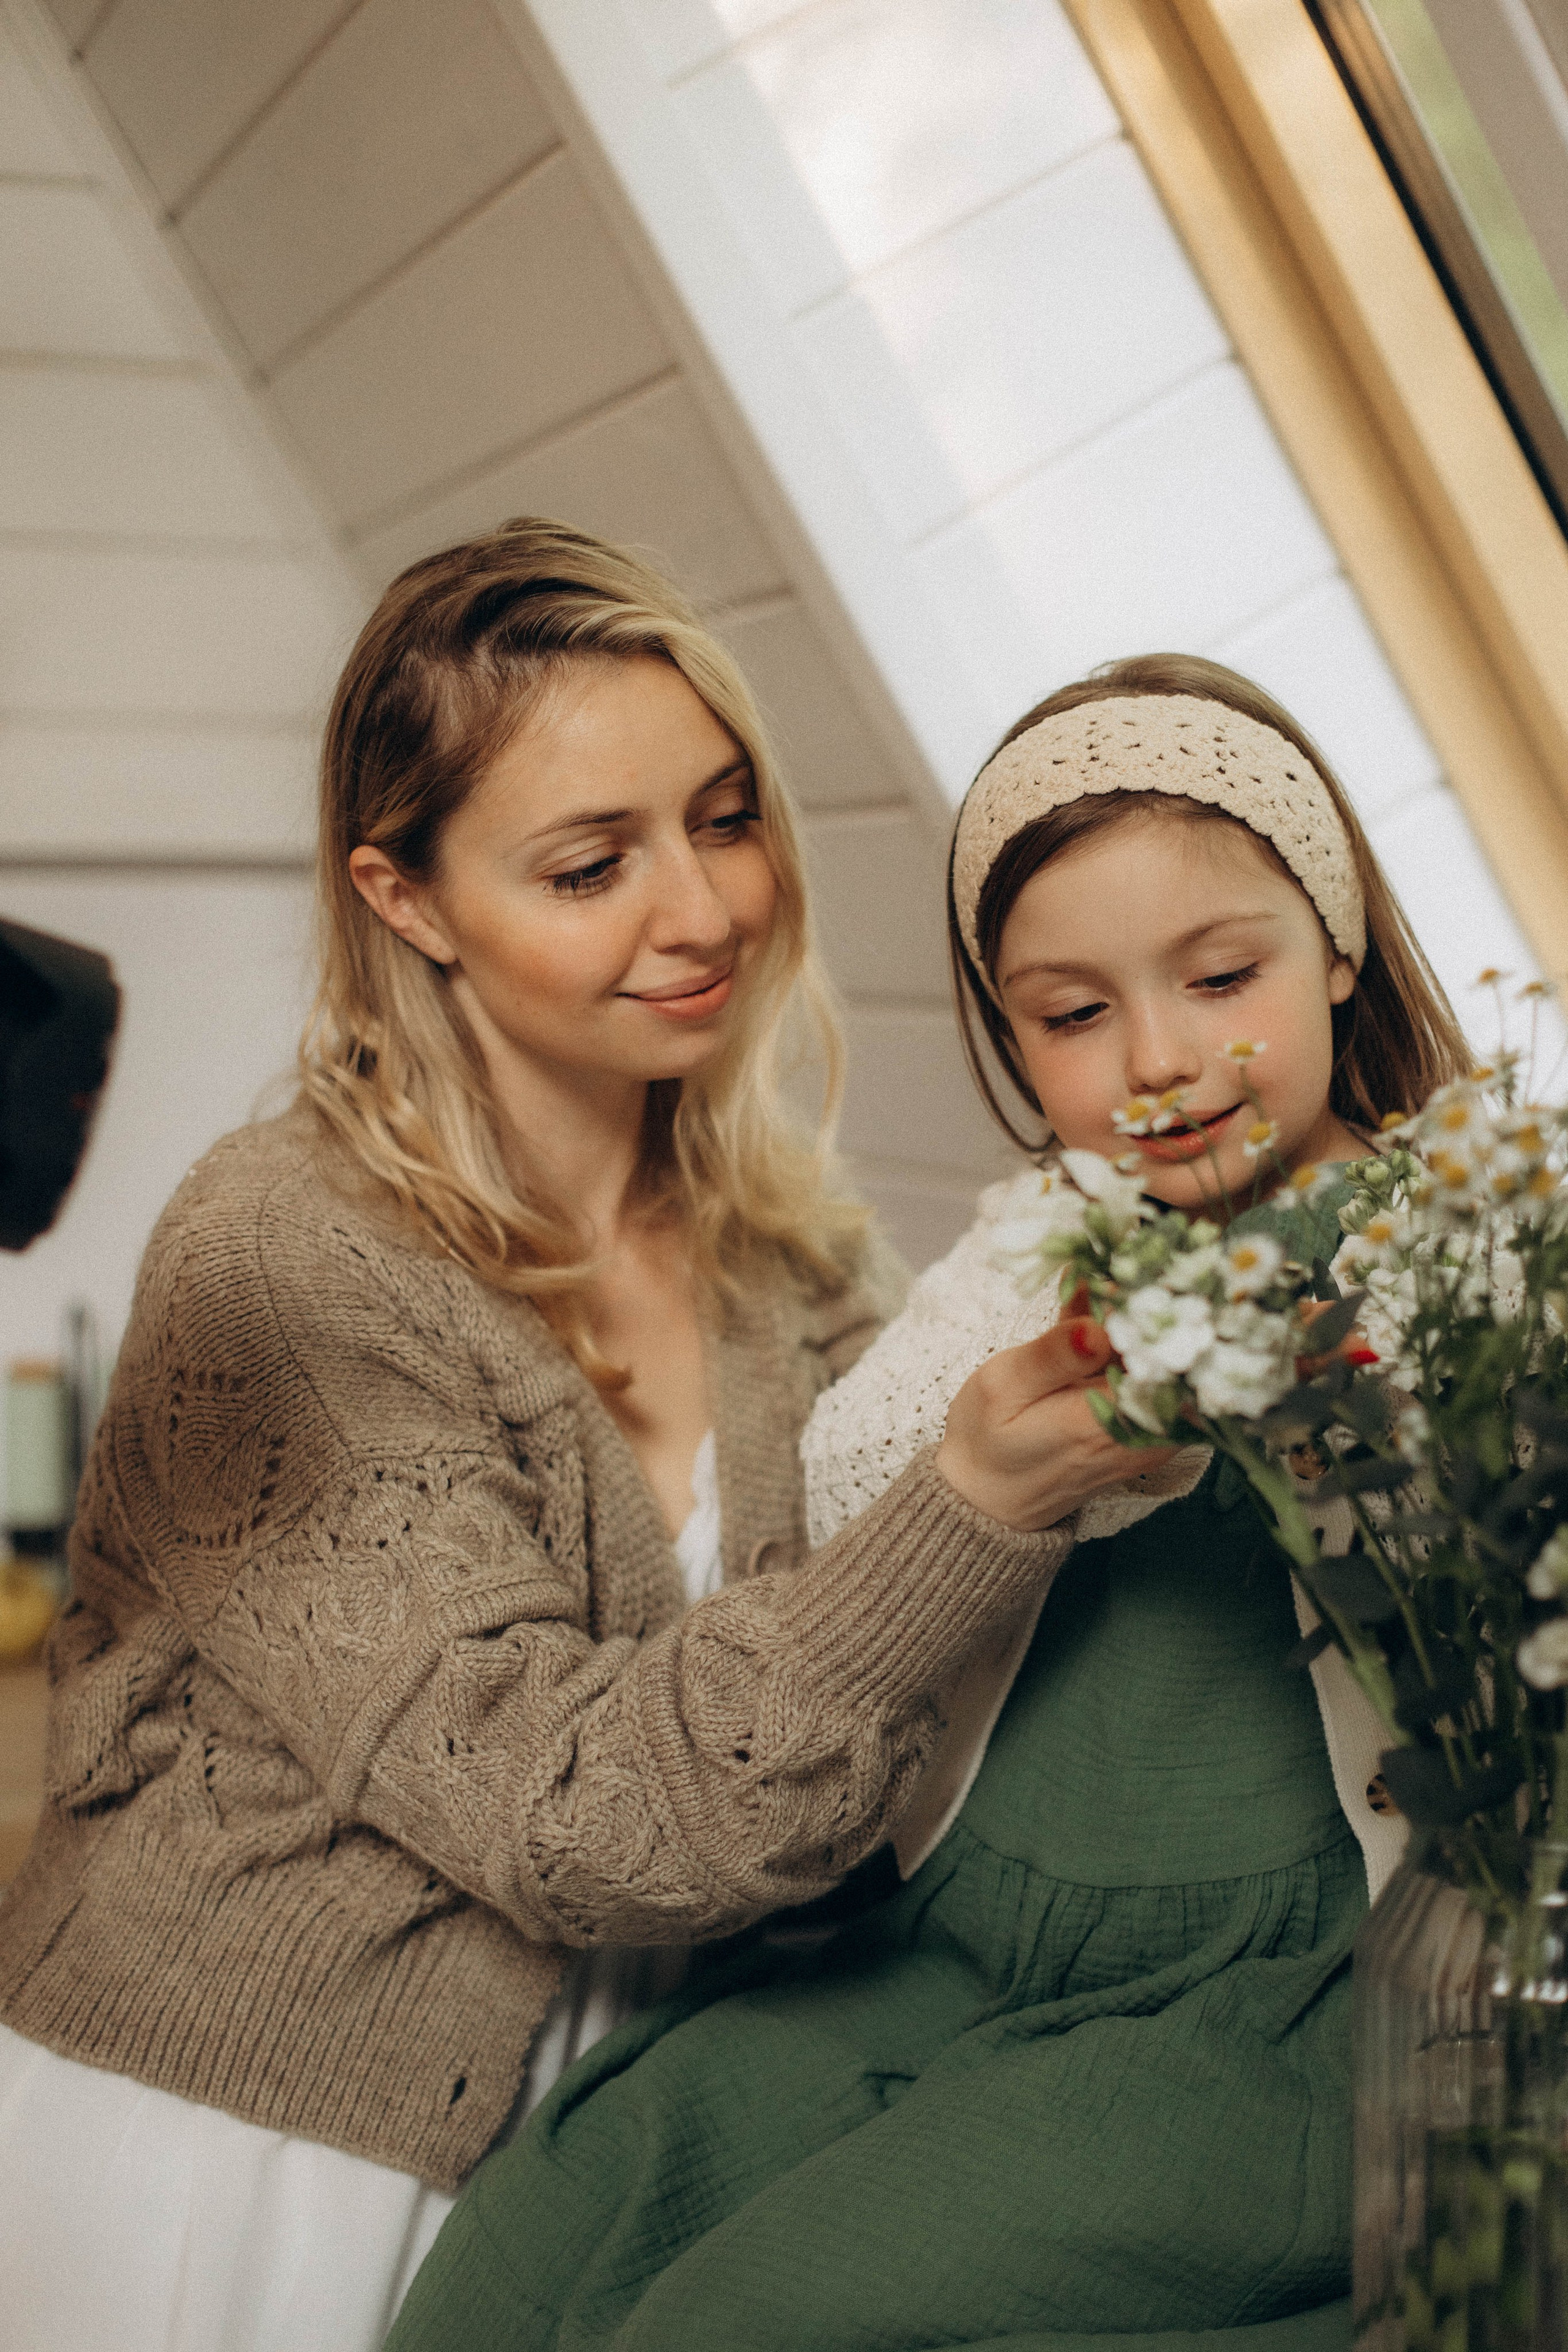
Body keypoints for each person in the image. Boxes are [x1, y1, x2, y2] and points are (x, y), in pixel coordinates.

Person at [0, 523, 1171, 2352]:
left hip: (624, 2158)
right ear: (407, 900)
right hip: (262, 2168)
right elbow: (575, 1816)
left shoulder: (791, 1257)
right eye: (589, 863)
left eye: (722, 817)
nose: (701, 910)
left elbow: (912, 1732)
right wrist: (971, 1506)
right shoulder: (276, 1271)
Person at [387, 652, 1472, 2352]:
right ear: (1010, 1030)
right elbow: (843, 1485)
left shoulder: (1444, 1238)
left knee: (753, 2313)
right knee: (560, 2220)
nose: (1164, 1056)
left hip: (1284, 1988)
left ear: (1335, 950)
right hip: (950, 1932)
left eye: (1222, 975)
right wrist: (998, 1464)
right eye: (1075, 1014)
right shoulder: (1045, 1239)